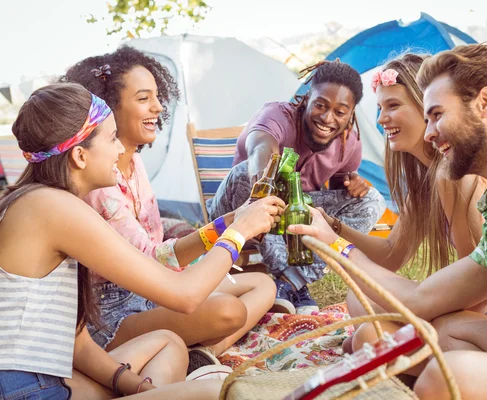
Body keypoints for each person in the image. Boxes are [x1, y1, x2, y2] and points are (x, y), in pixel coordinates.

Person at [289, 43, 487, 399]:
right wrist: (336, 242)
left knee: (449, 374)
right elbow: (421, 297)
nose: (429, 132)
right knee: (434, 332)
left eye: (436, 114)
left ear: (485, 102)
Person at [0, 82, 282, 399]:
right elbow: (185, 295)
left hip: (43, 379)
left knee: (170, 344)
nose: (121, 149)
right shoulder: (54, 207)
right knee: (221, 391)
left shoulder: (35, 202)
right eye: (111, 139)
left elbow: (77, 344)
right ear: (80, 155)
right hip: (28, 390)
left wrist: (136, 387)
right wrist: (239, 231)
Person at [62, 47, 277, 373]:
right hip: (113, 313)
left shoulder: (133, 161)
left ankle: (202, 356)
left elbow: (158, 251)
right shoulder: (99, 185)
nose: (158, 107)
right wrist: (234, 230)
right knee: (227, 312)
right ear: (108, 107)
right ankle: (194, 349)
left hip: (156, 289)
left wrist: (231, 220)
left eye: (158, 97)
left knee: (264, 284)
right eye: (144, 98)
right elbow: (150, 259)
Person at [318, 53, 487, 354]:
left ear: (426, 107)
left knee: (366, 334)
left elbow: (481, 293)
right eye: (380, 108)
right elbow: (391, 255)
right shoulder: (426, 181)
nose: (381, 119)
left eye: (393, 105)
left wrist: (422, 325)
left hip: (472, 315)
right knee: (359, 299)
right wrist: (332, 225)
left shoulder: (455, 177)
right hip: (456, 312)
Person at [208, 60, 387, 314]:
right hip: (241, 205)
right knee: (245, 175)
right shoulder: (277, 116)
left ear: (351, 115)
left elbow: (338, 193)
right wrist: (267, 186)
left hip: (294, 217)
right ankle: (288, 279)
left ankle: (292, 281)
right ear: (307, 98)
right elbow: (260, 148)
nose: (327, 118)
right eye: (321, 105)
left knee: (372, 199)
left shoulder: (350, 144)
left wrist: (353, 184)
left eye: (340, 112)